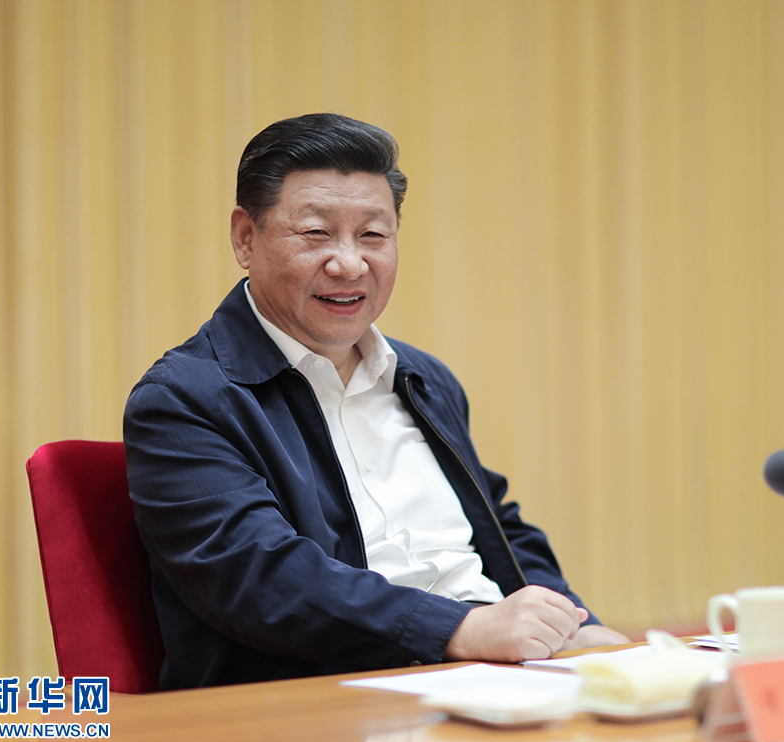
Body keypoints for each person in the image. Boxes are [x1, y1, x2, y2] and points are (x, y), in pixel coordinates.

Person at [124, 113, 628, 691]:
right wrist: (458, 628)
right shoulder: (184, 399)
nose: (349, 263)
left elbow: (497, 526)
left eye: (372, 236)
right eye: (316, 233)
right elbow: (259, 577)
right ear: (245, 238)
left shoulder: (422, 379)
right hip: (330, 694)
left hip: (496, 674)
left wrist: (572, 624)